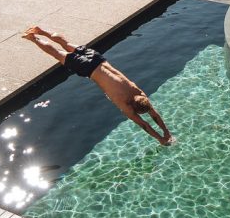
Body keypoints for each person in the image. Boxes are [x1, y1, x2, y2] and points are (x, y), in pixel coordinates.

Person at [22, 26, 175, 146]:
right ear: (135, 107)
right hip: (88, 68)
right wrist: (160, 138)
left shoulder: (139, 92)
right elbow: (145, 125)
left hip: (97, 58)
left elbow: (153, 114)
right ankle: (33, 38)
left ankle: (40, 30)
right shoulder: (126, 105)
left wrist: (166, 131)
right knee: (57, 53)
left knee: (66, 43)